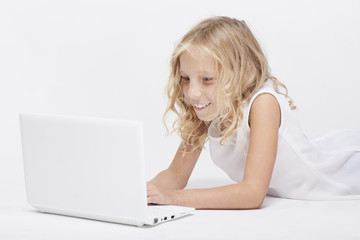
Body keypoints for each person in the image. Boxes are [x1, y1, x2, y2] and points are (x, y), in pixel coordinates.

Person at [146, 16, 360, 209]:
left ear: (243, 73)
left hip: (342, 173)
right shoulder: (210, 107)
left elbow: (252, 194)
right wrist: (135, 193)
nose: (192, 93)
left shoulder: (263, 103)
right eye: (186, 78)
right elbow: (175, 176)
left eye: (207, 79)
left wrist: (173, 198)